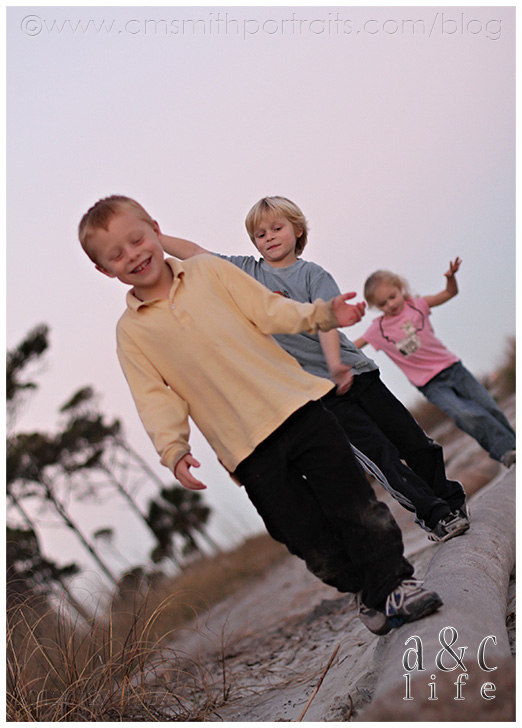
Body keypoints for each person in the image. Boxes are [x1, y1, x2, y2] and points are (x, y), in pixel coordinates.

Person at [78, 194, 443, 636]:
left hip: (300, 408)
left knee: (355, 505)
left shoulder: (209, 271)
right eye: (116, 254)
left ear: (155, 230)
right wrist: (173, 448)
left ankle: (394, 584)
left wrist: (322, 313)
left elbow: (270, 310)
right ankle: (366, 587)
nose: (133, 255)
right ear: (104, 270)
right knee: (304, 537)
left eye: (137, 240)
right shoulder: (132, 332)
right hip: (246, 447)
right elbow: (152, 395)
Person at [160, 196, 469, 543]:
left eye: (277, 228)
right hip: (319, 393)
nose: (269, 237)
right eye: (260, 234)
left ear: (297, 230)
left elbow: (328, 321)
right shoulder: (246, 273)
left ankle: (451, 501)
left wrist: (336, 364)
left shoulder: (313, 274)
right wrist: (154, 237)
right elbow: (196, 253)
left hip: (356, 373)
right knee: (381, 457)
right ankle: (435, 515)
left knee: (413, 441)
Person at [355, 260, 516, 468]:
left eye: (392, 297)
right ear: (377, 307)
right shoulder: (378, 329)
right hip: (431, 385)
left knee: (489, 407)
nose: (390, 305)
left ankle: (513, 446)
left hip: (454, 369)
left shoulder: (417, 305)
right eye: (383, 304)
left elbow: (449, 293)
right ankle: (504, 452)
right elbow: (354, 345)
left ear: (400, 288)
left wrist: (451, 278)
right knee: (465, 415)